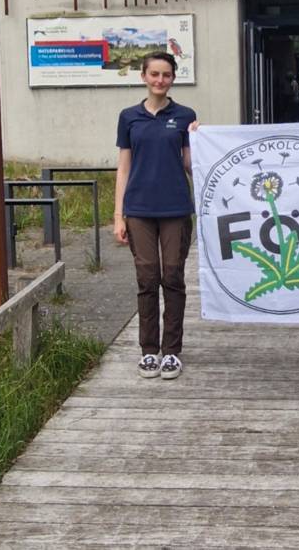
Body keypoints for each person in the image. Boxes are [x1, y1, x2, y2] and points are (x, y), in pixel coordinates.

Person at [113, 51, 197, 380]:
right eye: (154, 74)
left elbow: (191, 165)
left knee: (173, 277)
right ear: (144, 77)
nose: (160, 80)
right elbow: (124, 167)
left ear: (173, 78)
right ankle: (149, 350)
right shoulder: (129, 117)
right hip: (139, 210)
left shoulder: (185, 115)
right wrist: (119, 215)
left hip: (175, 208)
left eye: (166, 75)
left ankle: (172, 351)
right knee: (147, 279)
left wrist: (202, 140)